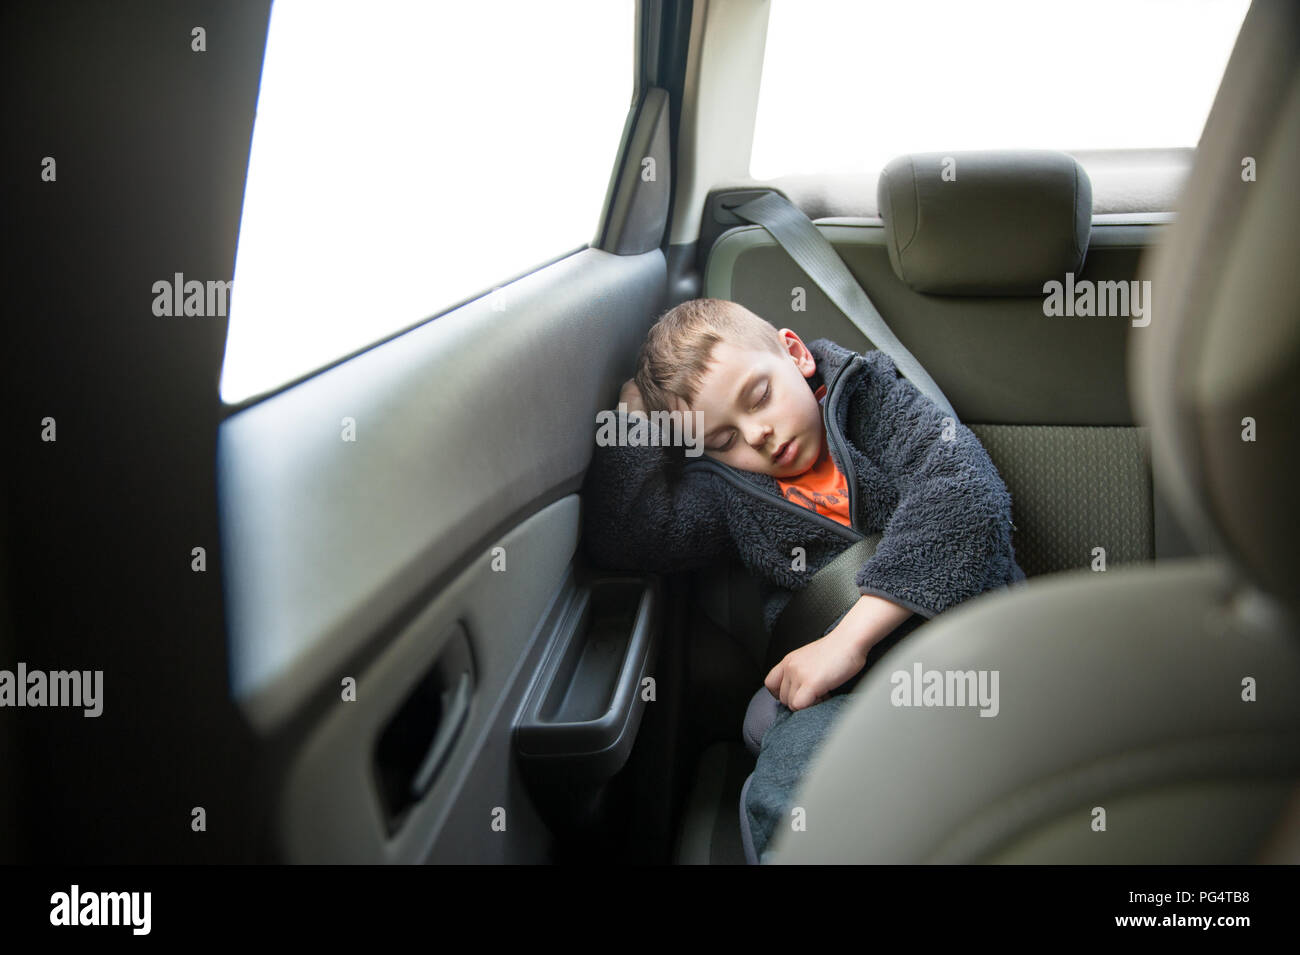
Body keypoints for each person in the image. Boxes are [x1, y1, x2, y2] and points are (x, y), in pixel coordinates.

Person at [581, 297, 1025, 861]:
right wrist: (631, 418)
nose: (758, 435)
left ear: (795, 354)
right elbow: (630, 534)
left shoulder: (869, 399)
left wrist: (848, 641)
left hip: (971, 648)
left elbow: (963, 496)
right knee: (790, 799)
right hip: (841, 695)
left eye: (759, 396)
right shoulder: (732, 493)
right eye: (723, 439)